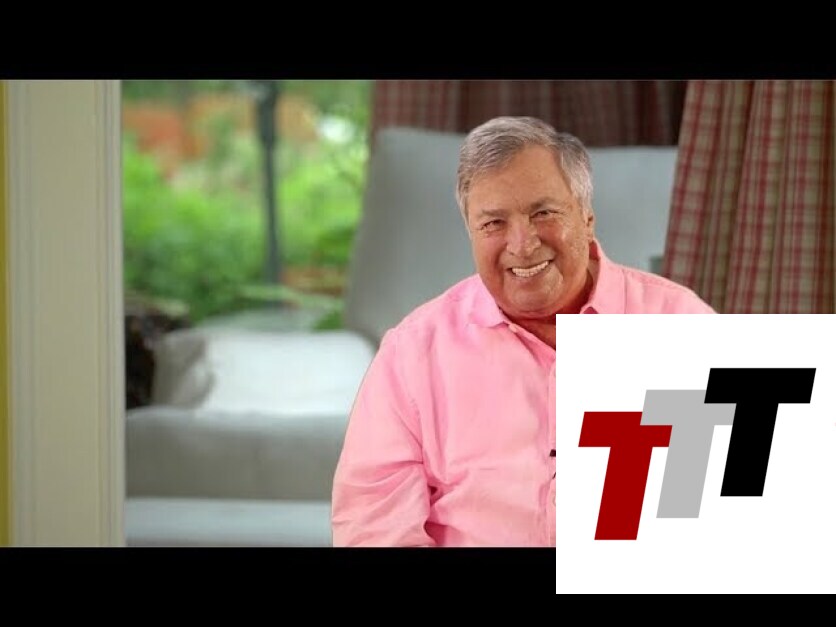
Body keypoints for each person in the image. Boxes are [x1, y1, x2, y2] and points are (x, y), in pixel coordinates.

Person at [331, 116, 715, 547]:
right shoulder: (412, 355)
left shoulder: (684, 327)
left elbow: (732, 515)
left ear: (587, 217)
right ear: (471, 232)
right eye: (493, 223)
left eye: (543, 213)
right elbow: (374, 529)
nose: (523, 243)